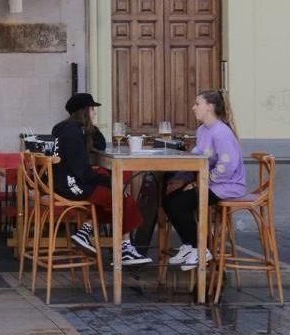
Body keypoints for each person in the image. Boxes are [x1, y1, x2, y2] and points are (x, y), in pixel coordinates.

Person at [52, 93, 151, 266]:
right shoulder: (72, 134)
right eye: (92, 110)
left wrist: (91, 127)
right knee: (121, 197)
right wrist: (108, 182)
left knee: (116, 193)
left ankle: (87, 230)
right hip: (71, 185)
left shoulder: (65, 127)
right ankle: (124, 248)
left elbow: (101, 144)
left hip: (63, 182)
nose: (94, 113)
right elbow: (82, 171)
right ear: (84, 111)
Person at [163, 90, 247, 271]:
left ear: (210, 107)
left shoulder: (221, 132)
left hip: (226, 186)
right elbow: (196, 159)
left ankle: (201, 249)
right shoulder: (202, 130)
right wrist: (181, 180)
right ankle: (188, 245)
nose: (193, 108)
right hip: (208, 182)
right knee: (168, 198)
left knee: (180, 203)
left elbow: (227, 166)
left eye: (197, 104)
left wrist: (196, 184)